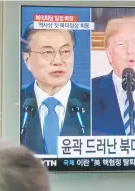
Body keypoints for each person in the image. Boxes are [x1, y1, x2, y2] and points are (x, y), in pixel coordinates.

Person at [21, 25, 90, 155]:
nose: (58, 61)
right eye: (47, 52)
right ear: (27, 59)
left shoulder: (96, 102)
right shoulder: (14, 102)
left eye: (65, 51)